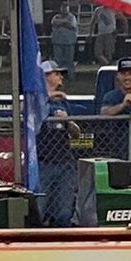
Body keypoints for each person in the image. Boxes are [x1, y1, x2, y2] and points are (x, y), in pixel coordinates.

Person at [35, 59, 82, 226]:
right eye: (57, 73)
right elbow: (33, 114)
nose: (61, 77)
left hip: (64, 160)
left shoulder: (62, 102)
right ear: (46, 76)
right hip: (43, 161)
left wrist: (68, 122)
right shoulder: (35, 100)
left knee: (64, 211)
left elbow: (76, 133)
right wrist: (49, 96)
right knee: (39, 210)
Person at [49, 4, 79, 76]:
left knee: (69, 60)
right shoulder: (56, 16)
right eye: (63, 8)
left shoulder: (72, 17)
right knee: (58, 61)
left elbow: (71, 25)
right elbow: (53, 22)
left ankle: (70, 75)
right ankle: (59, 76)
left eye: (66, 8)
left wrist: (60, 23)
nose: (64, 10)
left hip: (69, 42)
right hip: (57, 42)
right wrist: (64, 22)